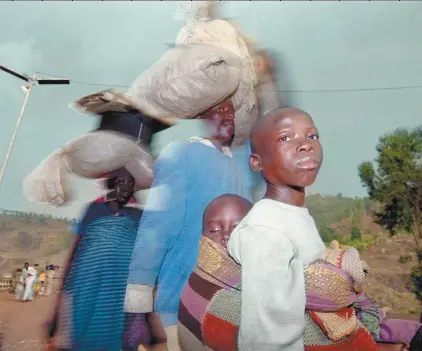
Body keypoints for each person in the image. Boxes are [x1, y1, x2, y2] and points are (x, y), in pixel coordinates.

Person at [125, 98, 261, 349]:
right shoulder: (180, 154)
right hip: (181, 307)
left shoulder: (243, 170)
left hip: (233, 310)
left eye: (233, 111)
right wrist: (137, 309)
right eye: (219, 109)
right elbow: (155, 228)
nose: (228, 115)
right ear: (203, 117)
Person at [227, 107, 326, 350]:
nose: (305, 145)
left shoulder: (291, 215)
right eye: (285, 138)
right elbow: (264, 336)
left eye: (311, 136)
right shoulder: (266, 229)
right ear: (257, 163)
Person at [48, 168, 149, 351]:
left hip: (120, 291)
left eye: (130, 184)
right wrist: (58, 304)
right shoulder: (92, 210)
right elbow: (75, 252)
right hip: (87, 286)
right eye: (120, 182)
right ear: (109, 184)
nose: (126, 188)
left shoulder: (138, 216)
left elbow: (145, 256)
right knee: (84, 333)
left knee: (118, 337)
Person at [178, 194, 252, 350]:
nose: (226, 236)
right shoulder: (198, 289)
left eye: (237, 228)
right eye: (215, 230)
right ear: (203, 236)